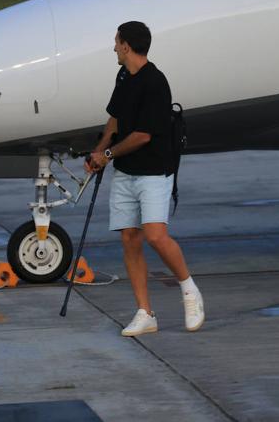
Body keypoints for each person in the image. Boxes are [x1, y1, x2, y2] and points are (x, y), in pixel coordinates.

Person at [85, 21, 205, 336]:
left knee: (155, 235)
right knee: (129, 238)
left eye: (116, 42)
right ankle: (145, 313)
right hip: (125, 171)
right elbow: (115, 119)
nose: (113, 47)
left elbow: (142, 136)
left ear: (127, 46)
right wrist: (97, 152)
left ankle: (190, 291)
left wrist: (107, 156)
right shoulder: (124, 75)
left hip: (153, 171)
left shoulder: (155, 82)